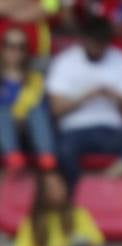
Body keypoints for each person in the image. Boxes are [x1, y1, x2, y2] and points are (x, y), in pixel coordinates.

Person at [47, 15, 122, 185]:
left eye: (102, 44)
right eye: (94, 43)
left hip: (111, 131)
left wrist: (115, 96)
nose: (98, 49)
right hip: (75, 130)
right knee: (63, 150)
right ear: (84, 39)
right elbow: (56, 110)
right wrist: (88, 95)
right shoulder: (65, 61)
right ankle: (74, 195)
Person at [0, 26, 57, 172]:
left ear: (27, 51)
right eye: (11, 46)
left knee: (37, 111)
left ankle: (46, 155)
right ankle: (12, 155)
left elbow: (37, 104)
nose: (16, 52)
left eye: (21, 47)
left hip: (30, 132)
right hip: (3, 133)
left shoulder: (35, 78)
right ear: (3, 49)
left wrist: (20, 116)